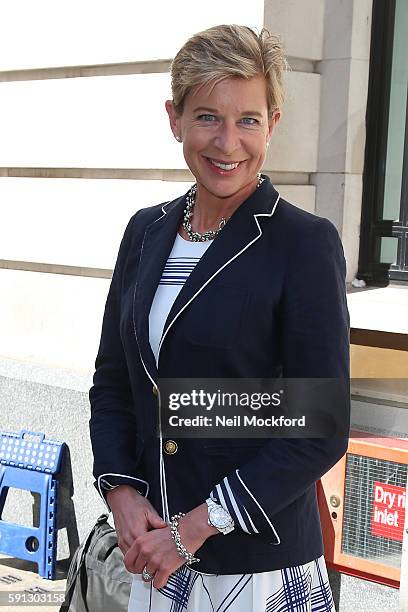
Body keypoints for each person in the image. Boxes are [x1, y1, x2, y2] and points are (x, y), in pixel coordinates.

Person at [89, 24, 350, 612]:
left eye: (248, 120)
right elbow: (113, 385)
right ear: (174, 118)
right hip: (154, 560)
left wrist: (195, 528)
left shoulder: (303, 245)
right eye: (207, 116)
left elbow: (320, 427)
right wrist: (122, 494)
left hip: (258, 570)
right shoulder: (145, 231)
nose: (228, 143)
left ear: (273, 124)